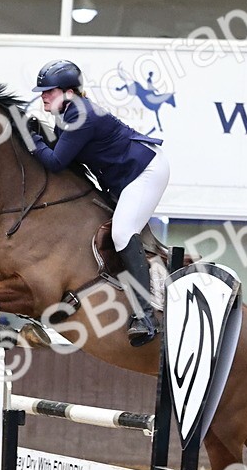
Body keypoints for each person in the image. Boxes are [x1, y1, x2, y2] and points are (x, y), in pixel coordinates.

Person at [26, 59, 168, 347]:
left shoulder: (80, 115)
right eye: (42, 91)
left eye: (48, 91)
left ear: (68, 92)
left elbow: (55, 162)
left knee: (122, 233)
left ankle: (145, 316)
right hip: (123, 177)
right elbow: (59, 152)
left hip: (145, 172)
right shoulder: (67, 112)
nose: (42, 95)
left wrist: (32, 140)